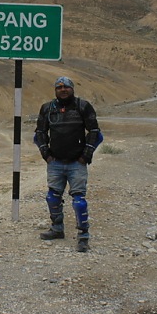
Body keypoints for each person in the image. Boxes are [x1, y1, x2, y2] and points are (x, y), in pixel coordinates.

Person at [33, 76, 102, 252]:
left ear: (72, 88)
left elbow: (95, 132)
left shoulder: (83, 106)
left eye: (66, 87)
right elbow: (40, 133)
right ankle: (57, 229)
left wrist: (85, 155)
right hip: (55, 162)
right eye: (59, 87)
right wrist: (46, 154)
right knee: (52, 197)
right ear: (55, 90)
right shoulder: (47, 108)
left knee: (79, 201)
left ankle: (83, 236)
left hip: (76, 163)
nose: (63, 90)